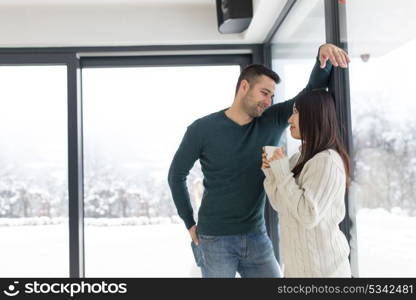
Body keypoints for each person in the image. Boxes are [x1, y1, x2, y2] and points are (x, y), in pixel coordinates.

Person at [168, 44, 350, 278]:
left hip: (257, 236)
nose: (268, 101)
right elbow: (176, 175)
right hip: (214, 238)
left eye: (272, 96)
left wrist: (321, 59)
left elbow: (310, 94)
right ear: (244, 87)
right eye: (264, 93)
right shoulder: (202, 129)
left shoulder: (271, 119)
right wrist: (189, 222)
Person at [261, 89, 352, 277]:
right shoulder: (297, 159)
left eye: (295, 112)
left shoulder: (327, 161)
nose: (289, 120)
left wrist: (282, 171)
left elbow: (308, 215)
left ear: (312, 116)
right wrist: (272, 173)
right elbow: (280, 204)